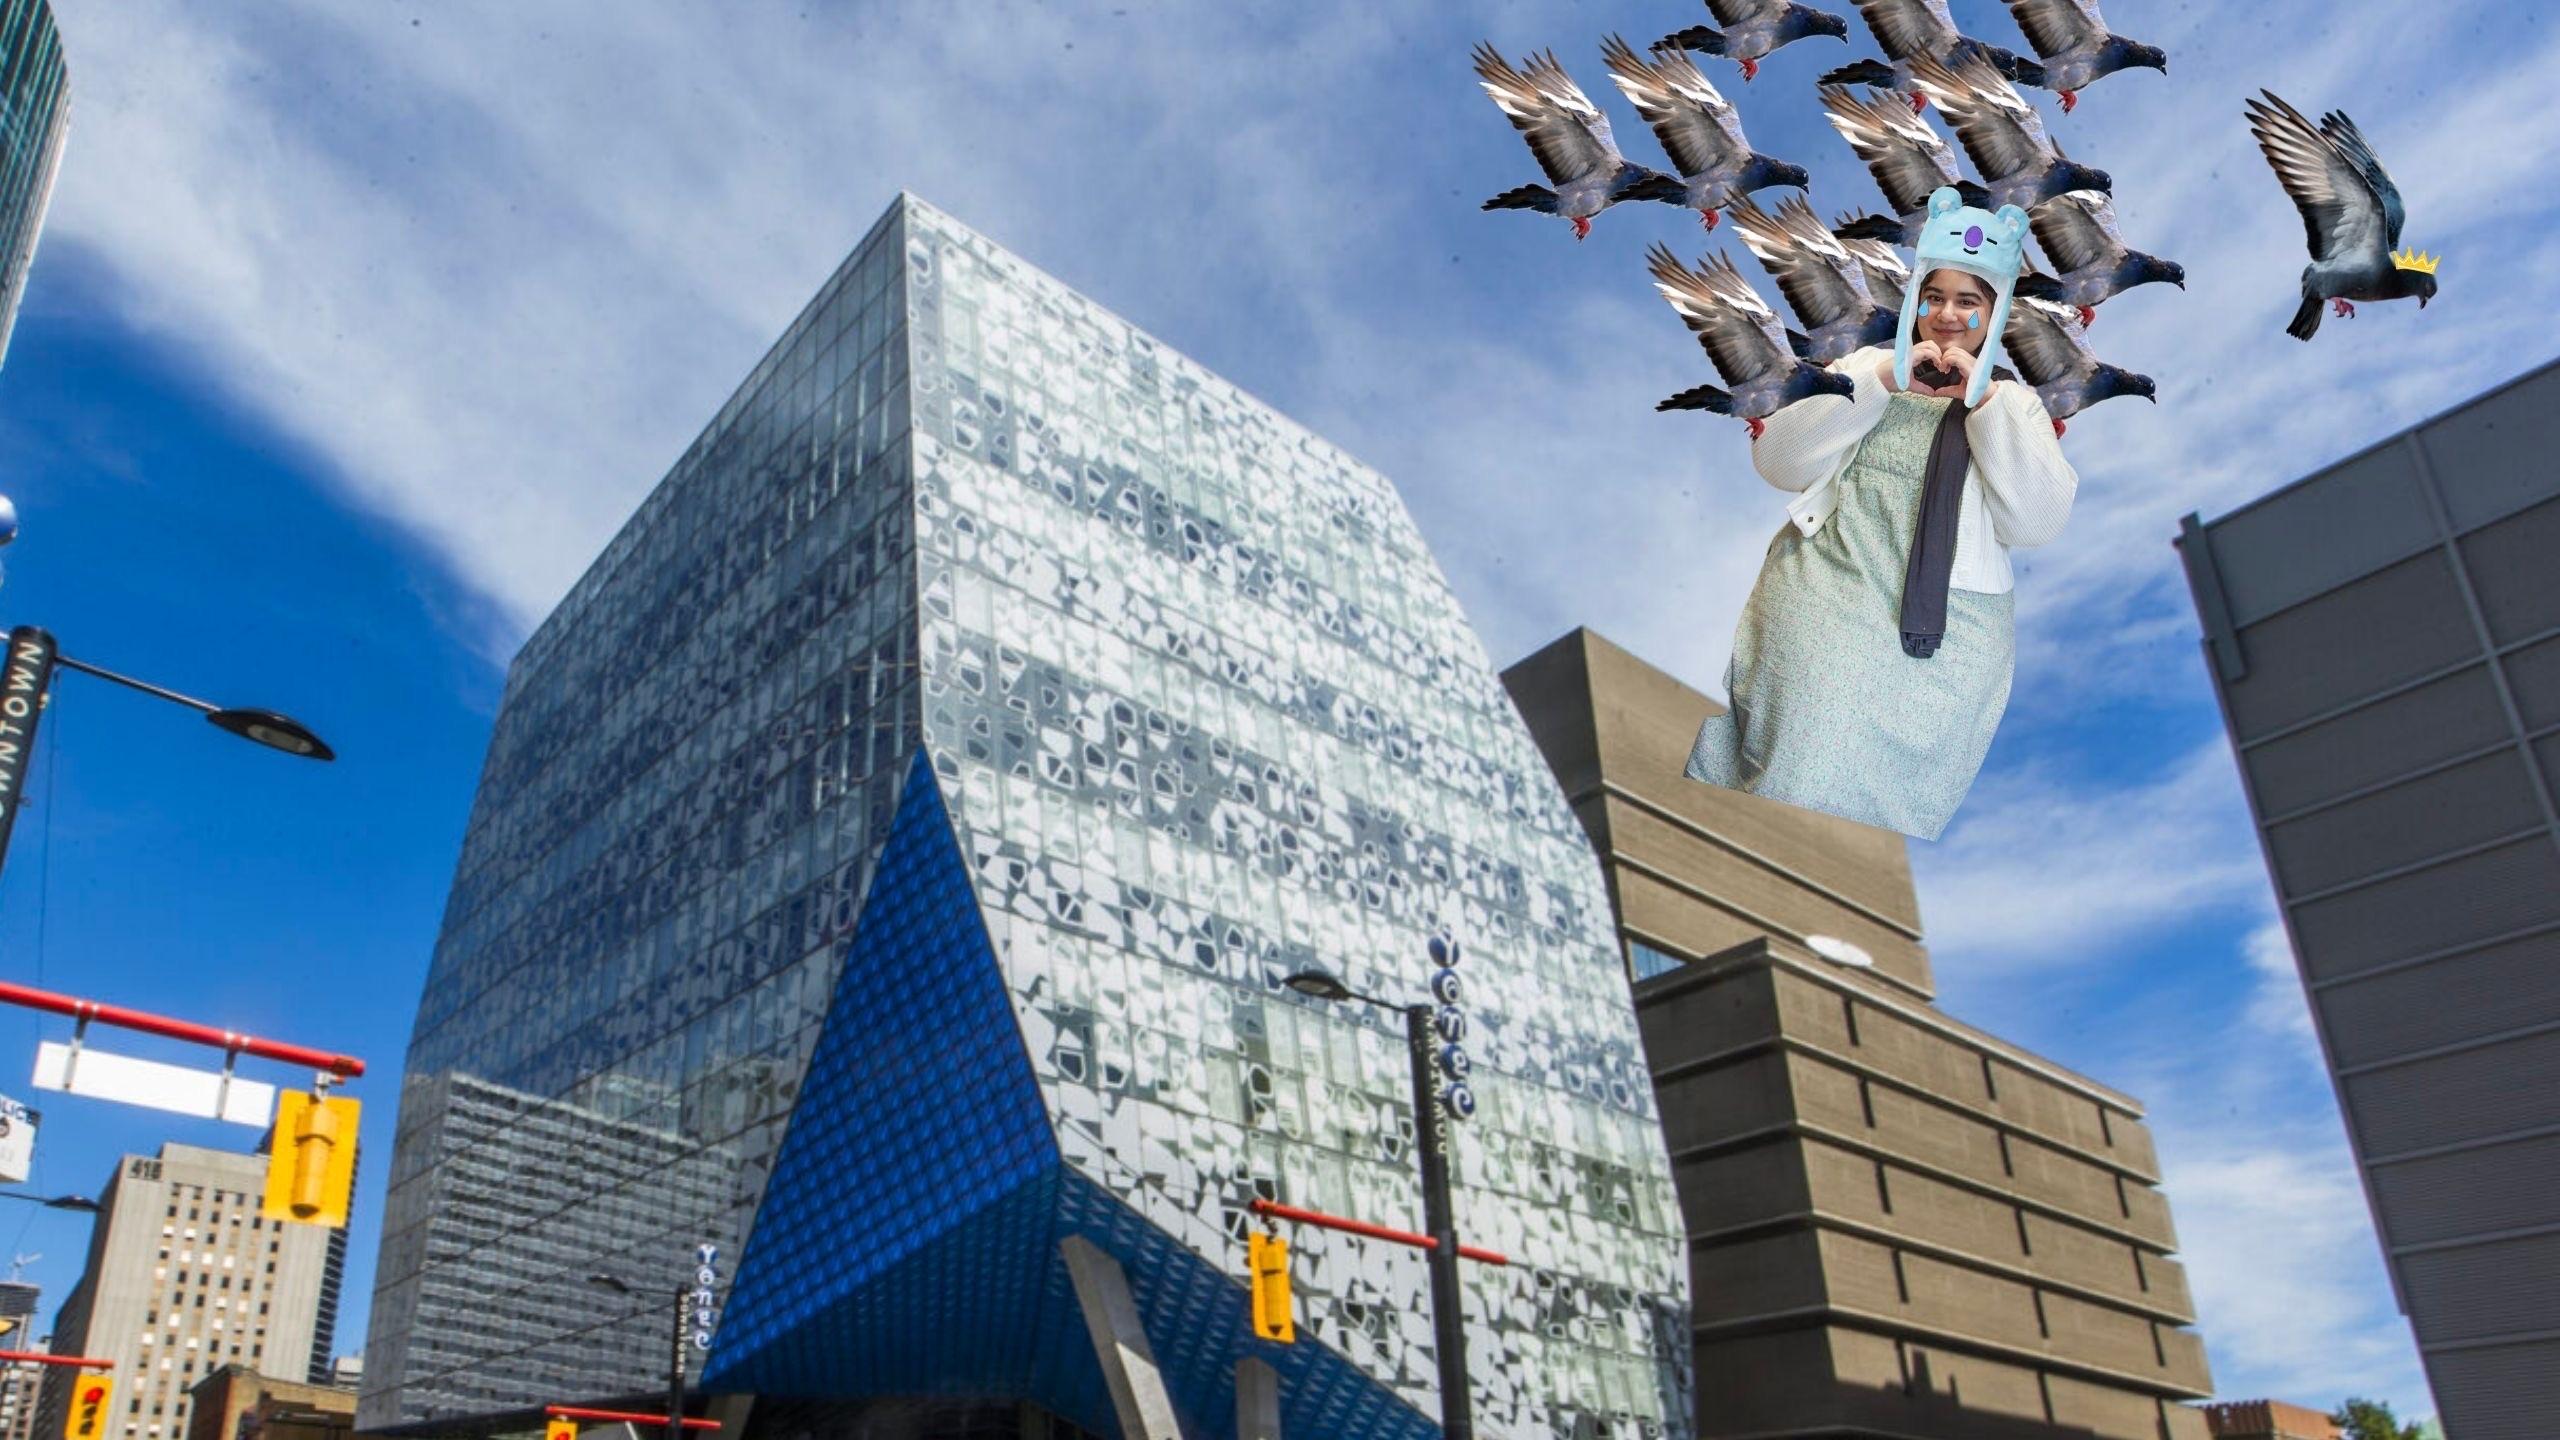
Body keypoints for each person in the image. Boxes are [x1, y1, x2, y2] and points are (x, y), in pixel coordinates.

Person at [1683, 192, 2077, 840]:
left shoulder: (2015, 406)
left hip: (1951, 644)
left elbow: (2036, 523)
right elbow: (1778, 461)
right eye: (1934, 296)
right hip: (1827, 598)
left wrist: (1982, 404)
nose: (1947, 316)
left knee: (1877, 831)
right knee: (1792, 774)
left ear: (1995, 311)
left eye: (1968, 301)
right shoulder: (1863, 369)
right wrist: (1882, 382)